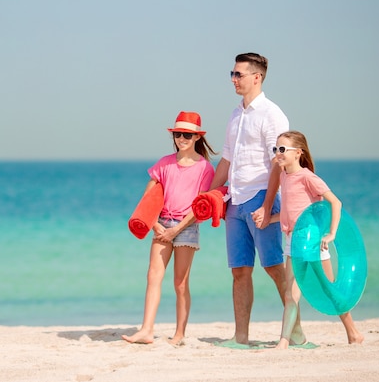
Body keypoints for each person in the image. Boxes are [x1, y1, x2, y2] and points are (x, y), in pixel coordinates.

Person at [210, 52, 297, 345]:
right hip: (235, 200)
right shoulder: (236, 114)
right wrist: (208, 195)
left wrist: (265, 204)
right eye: (232, 74)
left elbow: (279, 162)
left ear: (256, 77)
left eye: (239, 74)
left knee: (274, 267)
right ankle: (241, 337)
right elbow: (226, 160)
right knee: (239, 271)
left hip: (262, 197)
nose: (234, 79)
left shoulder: (272, 114)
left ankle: (295, 333)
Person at [122, 111, 216, 346]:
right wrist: (155, 224)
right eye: (177, 134)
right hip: (161, 224)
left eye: (186, 134)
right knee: (153, 276)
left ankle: (180, 334)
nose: (181, 138)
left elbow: (200, 204)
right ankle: (146, 330)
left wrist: (177, 229)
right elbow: (148, 196)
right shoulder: (164, 163)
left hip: (187, 227)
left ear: (196, 137)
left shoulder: (205, 168)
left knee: (180, 283)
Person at [264, 130, 364, 348]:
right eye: (275, 149)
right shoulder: (283, 176)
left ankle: (353, 332)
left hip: (313, 243)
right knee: (291, 294)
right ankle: (284, 341)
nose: (277, 153)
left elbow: (335, 203)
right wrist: (269, 219)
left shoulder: (308, 177)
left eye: (282, 149)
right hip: (292, 241)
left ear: (297, 153)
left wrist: (332, 233)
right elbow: (293, 212)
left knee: (329, 290)